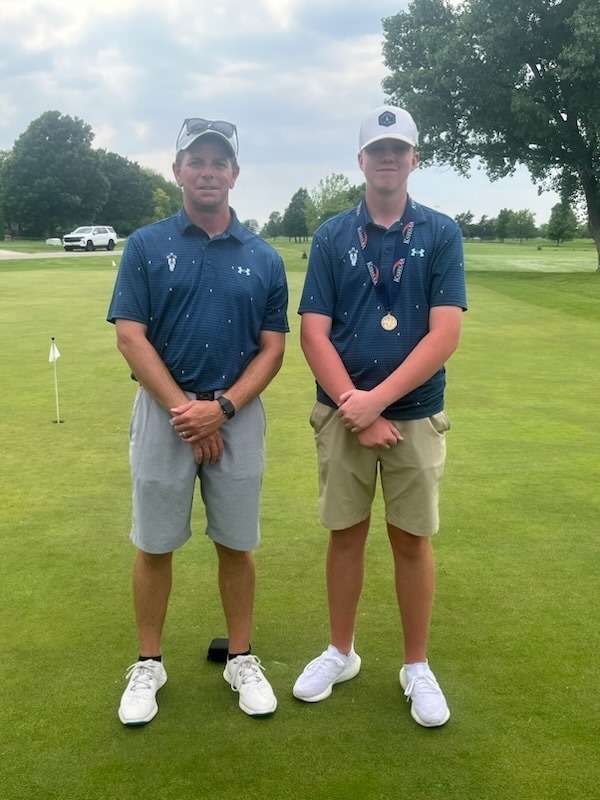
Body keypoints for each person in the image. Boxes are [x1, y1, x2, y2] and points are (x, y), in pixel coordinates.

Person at [107, 117, 288, 724]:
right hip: (166, 413)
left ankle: (241, 656)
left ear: (234, 174)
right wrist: (187, 412)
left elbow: (273, 348)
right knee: (154, 543)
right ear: (177, 169)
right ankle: (149, 664)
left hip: (235, 411)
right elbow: (131, 336)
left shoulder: (262, 255)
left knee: (236, 543)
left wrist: (223, 409)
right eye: (196, 161)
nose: (208, 171)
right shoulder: (146, 245)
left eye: (219, 162)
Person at [294, 105, 466, 727]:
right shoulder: (333, 235)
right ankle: (341, 651)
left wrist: (377, 401)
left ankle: (415, 665)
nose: (387, 159)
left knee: (411, 540)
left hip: (416, 415)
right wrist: (356, 409)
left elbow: (444, 335)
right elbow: (314, 333)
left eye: (398, 149)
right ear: (361, 160)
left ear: (414, 159)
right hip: (343, 414)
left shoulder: (442, 233)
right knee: (345, 534)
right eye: (376, 150)